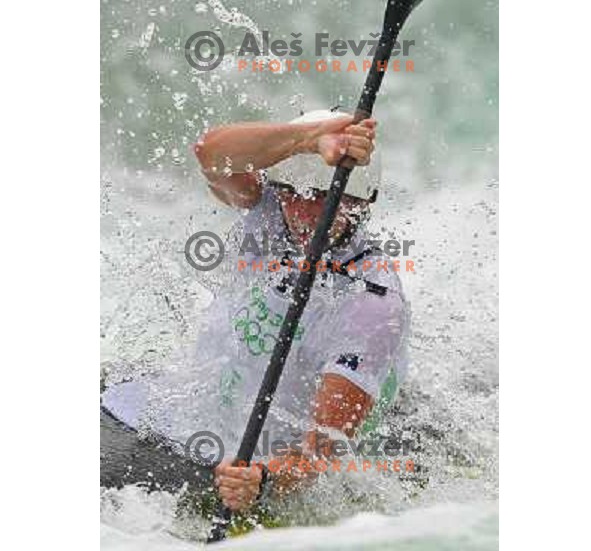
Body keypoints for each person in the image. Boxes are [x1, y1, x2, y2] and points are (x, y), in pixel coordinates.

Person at [100, 108, 410, 516]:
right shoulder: (269, 210)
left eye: (321, 199)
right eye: (291, 193)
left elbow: (325, 450)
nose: (302, 214)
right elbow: (210, 153)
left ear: (361, 203)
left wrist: (262, 480)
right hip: (181, 412)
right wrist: (309, 139)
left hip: (244, 459)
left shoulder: (372, 304)